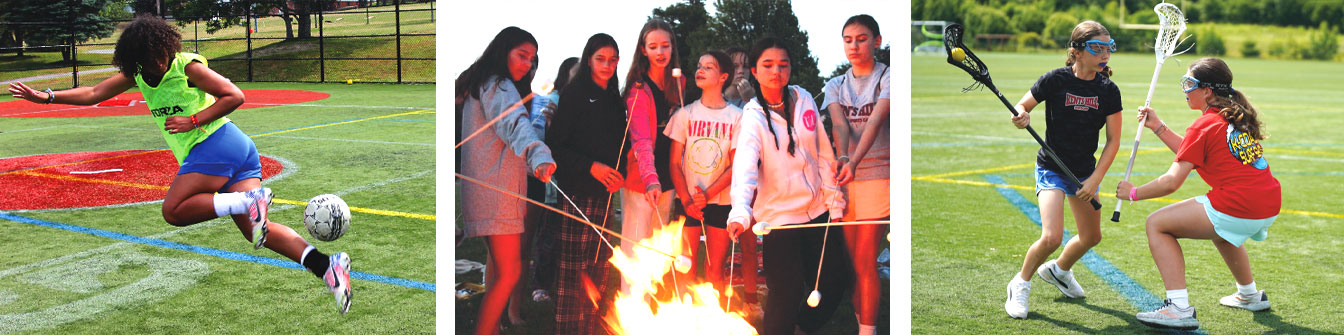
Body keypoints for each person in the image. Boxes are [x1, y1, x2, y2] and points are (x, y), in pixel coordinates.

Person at [7, 14, 352, 314]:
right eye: (151, 56)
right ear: (138, 57)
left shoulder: (187, 66)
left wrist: (195, 120)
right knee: (255, 232)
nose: (160, 61)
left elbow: (235, 95)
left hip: (216, 143)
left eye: (162, 53)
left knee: (173, 211)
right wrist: (47, 95)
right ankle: (326, 266)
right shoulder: (139, 73)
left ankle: (247, 202)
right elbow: (94, 93)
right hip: (235, 154)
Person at [1121, 57, 1279, 331]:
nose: (1185, 90)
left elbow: (1172, 182)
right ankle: (1249, 295)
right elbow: (1193, 152)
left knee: (1156, 224)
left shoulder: (1205, 124)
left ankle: (1178, 308)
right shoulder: (1232, 117)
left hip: (1239, 205)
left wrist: (1133, 193)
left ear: (1207, 90)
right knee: (1221, 230)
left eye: (1189, 84)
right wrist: (1158, 127)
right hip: (1267, 203)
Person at [725, 36, 850, 335]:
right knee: (787, 292)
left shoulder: (804, 98)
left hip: (819, 211)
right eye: (767, 65)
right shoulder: (752, 117)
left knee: (834, 281)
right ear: (754, 71)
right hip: (779, 220)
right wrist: (740, 211)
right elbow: (744, 167)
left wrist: (835, 202)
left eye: (783, 65)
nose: (776, 71)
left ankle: (801, 329)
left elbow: (822, 152)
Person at [1003, 20, 1123, 319]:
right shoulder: (1055, 80)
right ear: (1077, 51)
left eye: (1108, 48)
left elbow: (1113, 141)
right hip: (1052, 167)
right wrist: (1020, 115)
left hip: (1084, 171)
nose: (1104, 54)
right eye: (1097, 48)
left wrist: (1095, 180)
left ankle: (1059, 271)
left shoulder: (1108, 90)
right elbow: (1023, 106)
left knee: (1091, 237)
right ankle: (1020, 283)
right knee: (1052, 236)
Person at [455, 26, 557, 335]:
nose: (527, 63)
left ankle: (492, 328)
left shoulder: (487, 83)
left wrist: (533, 165)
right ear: (503, 51)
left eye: (532, 59)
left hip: (492, 188)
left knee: (503, 268)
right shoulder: (499, 86)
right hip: (495, 193)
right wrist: (538, 155)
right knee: (510, 270)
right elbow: (515, 126)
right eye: (522, 55)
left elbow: (500, 143)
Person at [545, 33, 625, 335]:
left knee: (599, 268)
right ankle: (567, 328)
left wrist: (621, 173)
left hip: (605, 195)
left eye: (612, 59)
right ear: (589, 59)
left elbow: (621, 146)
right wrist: (591, 166)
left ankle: (590, 328)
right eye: (600, 58)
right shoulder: (575, 94)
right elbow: (556, 145)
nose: (607, 65)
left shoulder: (615, 100)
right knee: (572, 270)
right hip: (577, 191)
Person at [664, 49, 756, 308]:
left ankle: (710, 319)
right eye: (699, 65)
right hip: (687, 201)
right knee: (685, 266)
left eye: (708, 67)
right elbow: (674, 162)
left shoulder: (737, 118)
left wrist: (707, 194)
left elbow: (736, 165)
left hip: (720, 202)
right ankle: (684, 317)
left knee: (715, 268)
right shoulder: (685, 114)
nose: (700, 70)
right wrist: (687, 199)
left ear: (723, 76)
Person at [822, 14, 889, 335]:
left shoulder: (888, 76)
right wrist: (845, 158)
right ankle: (863, 322)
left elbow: (875, 122)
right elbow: (839, 125)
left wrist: (855, 161)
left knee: (865, 259)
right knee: (855, 264)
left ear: (876, 41)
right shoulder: (835, 84)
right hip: (849, 181)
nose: (854, 46)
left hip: (880, 178)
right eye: (848, 40)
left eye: (861, 39)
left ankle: (868, 329)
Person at [620, 20, 683, 294]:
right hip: (642, 178)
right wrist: (650, 179)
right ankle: (632, 308)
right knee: (635, 246)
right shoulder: (638, 88)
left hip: (668, 175)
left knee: (657, 245)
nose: (660, 52)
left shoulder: (678, 82)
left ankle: (650, 309)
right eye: (653, 46)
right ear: (643, 50)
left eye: (665, 46)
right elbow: (641, 140)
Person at [516, 56, 581, 309]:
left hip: (571, 179)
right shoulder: (552, 100)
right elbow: (545, 139)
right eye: (577, 73)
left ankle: (559, 284)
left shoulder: (576, 103)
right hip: (549, 179)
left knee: (564, 234)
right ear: (566, 75)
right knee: (548, 233)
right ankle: (540, 285)